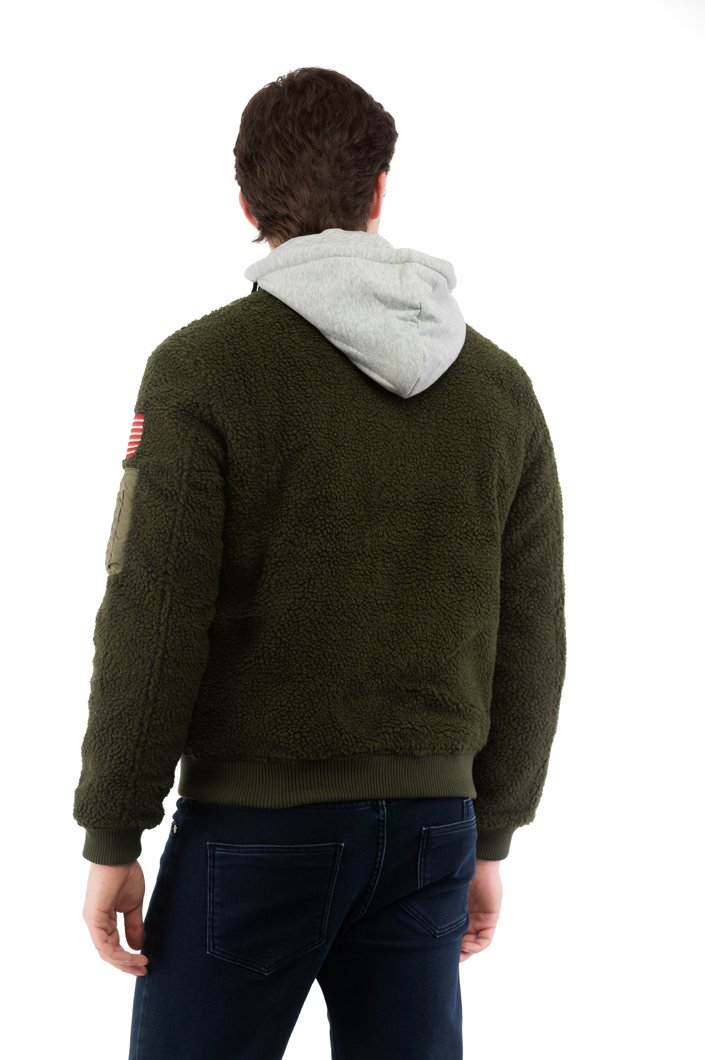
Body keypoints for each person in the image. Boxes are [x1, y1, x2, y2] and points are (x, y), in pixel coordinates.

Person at [74, 66, 567, 1059]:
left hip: (254, 827)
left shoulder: (203, 369)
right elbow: (532, 629)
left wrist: (113, 831)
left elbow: (153, 616)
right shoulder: (497, 388)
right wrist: (492, 829)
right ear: (379, 190)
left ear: (247, 204)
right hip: (433, 830)